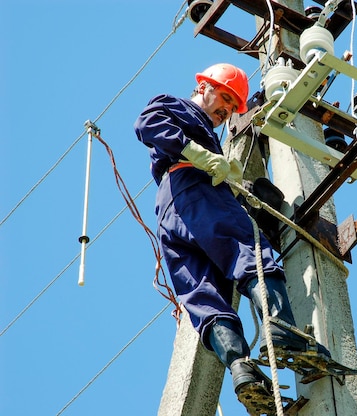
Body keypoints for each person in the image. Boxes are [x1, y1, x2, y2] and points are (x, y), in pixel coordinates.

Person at [133, 63, 331, 413]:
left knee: (205, 297)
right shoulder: (176, 106)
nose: (224, 111)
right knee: (250, 252)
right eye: (223, 98)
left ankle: (242, 370)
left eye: (230, 108)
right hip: (191, 189)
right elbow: (146, 123)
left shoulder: (209, 146)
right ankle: (284, 332)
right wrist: (197, 154)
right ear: (203, 87)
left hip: (171, 215)